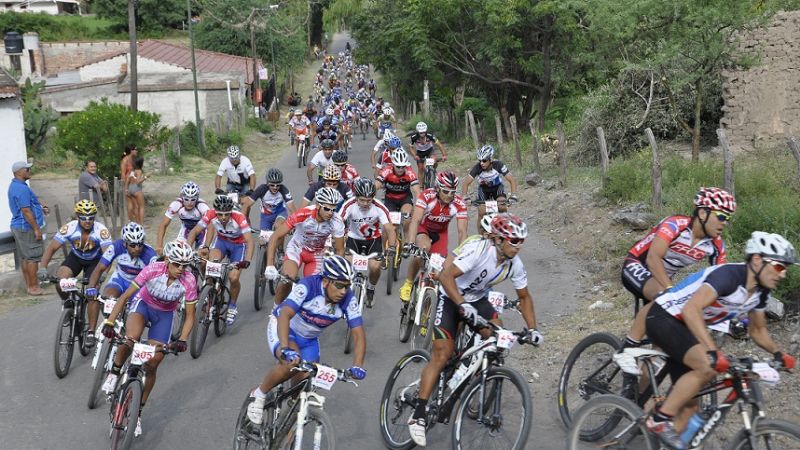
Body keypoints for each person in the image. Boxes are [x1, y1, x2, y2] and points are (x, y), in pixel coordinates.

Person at [642, 231, 797, 449]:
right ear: (757, 260)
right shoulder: (729, 276)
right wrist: (713, 351)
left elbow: (758, 331)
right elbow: (691, 309)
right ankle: (658, 419)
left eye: (785, 269)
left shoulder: (760, 293)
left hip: (685, 328)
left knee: (690, 406)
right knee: (707, 367)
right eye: (779, 266)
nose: (782, 274)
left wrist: (778, 353)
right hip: (664, 317)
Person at [406, 214, 542, 446]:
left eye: (521, 241)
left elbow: (524, 296)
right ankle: (418, 415)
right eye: (514, 241)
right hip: (451, 297)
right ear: (498, 239)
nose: (518, 246)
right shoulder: (480, 251)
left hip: (478, 300)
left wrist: (533, 329)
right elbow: (447, 276)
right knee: (442, 354)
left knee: (499, 337)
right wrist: (461, 304)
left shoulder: (515, 264)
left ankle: (475, 373)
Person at [613, 187, 736, 375]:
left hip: (661, 279)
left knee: (661, 348)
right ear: (703, 213)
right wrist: (671, 290)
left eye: (728, 218)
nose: (724, 223)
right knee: (664, 299)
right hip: (638, 265)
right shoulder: (675, 225)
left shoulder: (716, 245)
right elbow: (653, 258)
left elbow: (719, 281)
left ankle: (636, 396)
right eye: (721, 216)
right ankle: (627, 349)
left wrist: (732, 313)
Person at [246, 255, 367, 425]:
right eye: (339, 285)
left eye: (347, 286)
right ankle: (259, 394)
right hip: (285, 328)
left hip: (309, 340)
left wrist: (357, 365)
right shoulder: (307, 286)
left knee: (302, 390)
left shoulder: (348, 299)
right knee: (292, 362)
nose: (343, 292)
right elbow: (285, 315)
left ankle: (287, 429)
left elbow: (358, 334)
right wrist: (285, 347)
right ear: (325, 281)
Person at [100, 240, 197, 438]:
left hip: (165, 315)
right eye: (177, 264)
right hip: (143, 305)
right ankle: (114, 371)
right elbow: (125, 296)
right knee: (131, 338)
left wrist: (183, 339)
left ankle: (138, 412)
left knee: (153, 363)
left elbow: (190, 316)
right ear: (168, 260)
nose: (181, 269)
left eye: (185, 265)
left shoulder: (189, 280)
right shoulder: (153, 269)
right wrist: (109, 322)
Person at [265, 187, 346, 305]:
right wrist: (270, 264)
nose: (330, 213)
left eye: (333, 209)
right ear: (318, 205)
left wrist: (337, 273)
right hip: (297, 249)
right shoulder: (302, 214)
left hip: (316, 255)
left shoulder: (337, 221)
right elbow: (275, 236)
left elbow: (339, 250)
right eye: (327, 208)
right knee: (287, 278)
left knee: (313, 290)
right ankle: (275, 310)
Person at [399, 171, 468, 303]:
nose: (450, 195)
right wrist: (410, 242)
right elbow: (416, 220)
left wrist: (463, 253)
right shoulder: (427, 196)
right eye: (446, 191)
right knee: (422, 250)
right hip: (423, 229)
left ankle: (426, 307)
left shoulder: (459, 204)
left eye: (453, 192)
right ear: (437, 188)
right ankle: (408, 283)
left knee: (438, 269)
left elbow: (462, 231)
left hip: (440, 234)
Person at [86, 222, 157, 348]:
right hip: (119, 279)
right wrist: (91, 287)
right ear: (125, 243)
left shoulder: (149, 254)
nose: (137, 248)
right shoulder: (116, 247)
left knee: (135, 314)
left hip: (138, 286)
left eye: (140, 244)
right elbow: (99, 268)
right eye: (133, 245)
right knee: (107, 298)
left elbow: (156, 278)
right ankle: (109, 322)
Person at [187, 195, 254, 325]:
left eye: (226, 214)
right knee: (209, 264)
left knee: (233, 277)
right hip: (221, 242)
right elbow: (195, 231)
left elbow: (250, 240)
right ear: (215, 212)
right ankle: (210, 291)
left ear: (231, 212)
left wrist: (248, 260)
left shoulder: (239, 217)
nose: (223, 217)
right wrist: (188, 249)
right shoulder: (211, 214)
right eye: (220, 214)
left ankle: (232, 305)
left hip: (238, 245)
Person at [38, 200, 113, 301]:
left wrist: (104, 274)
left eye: (91, 218)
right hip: (75, 258)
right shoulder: (69, 227)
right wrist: (42, 267)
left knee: (92, 292)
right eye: (83, 218)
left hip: (95, 261)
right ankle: (68, 304)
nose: (87, 221)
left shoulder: (101, 231)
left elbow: (108, 255)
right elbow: (51, 248)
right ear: (77, 216)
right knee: (60, 283)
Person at [340, 178, 397, 305]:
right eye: (362, 200)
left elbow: (389, 229)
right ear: (356, 197)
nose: (365, 203)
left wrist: (392, 247)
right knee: (346, 266)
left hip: (373, 240)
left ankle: (371, 289)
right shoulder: (349, 205)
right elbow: (338, 222)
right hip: (354, 239)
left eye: (369, 200)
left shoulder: (379, 207)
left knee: (375, 267)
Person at [8, 161, 49, 295]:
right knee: (32, 257)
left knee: (25, 258)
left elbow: (30, 204)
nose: (29, 171)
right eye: (26, 169)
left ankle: (29, 286)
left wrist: (41, 208)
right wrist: (36, 229)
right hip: (26, 227)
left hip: (19, 226)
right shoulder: (21, 188)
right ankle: (34, 287)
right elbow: (26, 210)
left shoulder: (17, 186)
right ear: (19, 172)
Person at [461, 144, 518, 229]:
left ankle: (505, 228)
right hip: (483, 190)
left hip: (497, 188)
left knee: (502, 206)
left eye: (484, 160)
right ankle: (481, 236)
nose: (481, 163)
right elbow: (466, 183)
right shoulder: (477, 167)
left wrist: (513, 195)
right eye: (480, 160)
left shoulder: (499, 165)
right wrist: (465, 197)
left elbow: (511, 180)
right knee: (481, 212)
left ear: (490, 159)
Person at [241, 168, 295, 254]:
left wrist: (294, 224)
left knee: (278, 226)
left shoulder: (283, 189)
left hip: (280, 213)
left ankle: (280, 251)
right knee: (262, 242)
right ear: (267, 184)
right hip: (266, 216)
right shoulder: (262, 189)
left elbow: (292, 208)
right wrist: (243, 222)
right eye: (272, 185)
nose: (275, 187)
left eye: (278, 185)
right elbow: (246, 205)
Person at [375, 148, 421, 238]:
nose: (401, 169)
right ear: (393, 164)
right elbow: (376, 186)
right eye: (398, 166)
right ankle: (386, 250)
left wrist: (418, 208)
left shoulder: (409, 172)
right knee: (387, 229)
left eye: (403, 166)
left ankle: (407, 247)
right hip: (390, 200)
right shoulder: (387, 170)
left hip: (405, 199)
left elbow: (417, 192)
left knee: (407, 221)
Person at [155, 181, 211, 253]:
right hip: (186, 229)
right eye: (186, 199)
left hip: (202, 231)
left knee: (201, 255)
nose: (189, 203)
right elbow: (164, 224)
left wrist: (207, 246)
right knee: (178, 252)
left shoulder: (202, 206)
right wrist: (159, 246)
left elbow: (210, 226)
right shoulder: (176, 205)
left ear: (197, 198)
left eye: (193, 199)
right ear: (182, 197)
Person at [127, 156, 147, 226]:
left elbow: (128, 180)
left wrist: (126, 189)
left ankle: (137, 222)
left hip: (130, 188)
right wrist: (146, 177)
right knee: (142, 207)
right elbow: (138, 182)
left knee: (135, 207)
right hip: (136, 189)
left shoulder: (132, 171)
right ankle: (141, 224)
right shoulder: (139, 171)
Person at [120, 144, 137, 223]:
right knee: (130, 205)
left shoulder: (133, 159)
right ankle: (131, 222)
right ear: (131, 151)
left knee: (135, 204)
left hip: (133, 184)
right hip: (128, 184)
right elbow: (123, 174)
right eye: (135, 149)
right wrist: (125, 187)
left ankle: (136, 222)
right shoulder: (125, 160)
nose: (137, 151)